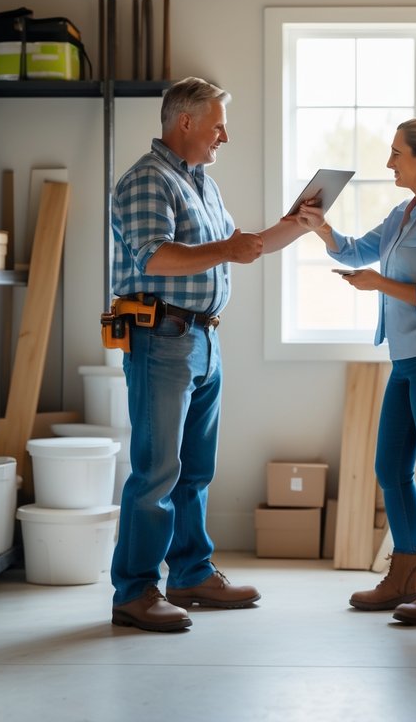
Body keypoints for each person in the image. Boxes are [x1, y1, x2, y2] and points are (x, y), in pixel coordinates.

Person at [110, 76, 308, 632]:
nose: (226, 135)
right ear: (186, 122)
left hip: (202, 338)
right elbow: (156, 259)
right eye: (218, 124)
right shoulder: (148, 181)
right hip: (162, 339)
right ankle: (135, 590)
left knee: (195, 469)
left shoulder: (200, 184)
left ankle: (191, 573)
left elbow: (239, 249)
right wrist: (228, 248)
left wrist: (294, 225)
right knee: (157, 471)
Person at [293, 117, 416, 625]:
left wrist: (380, 285)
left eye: (396, 153)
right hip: (405, 357)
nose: (388, 162)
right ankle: (404, 576)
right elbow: (356, 251)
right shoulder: (402, 214)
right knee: (390, 470)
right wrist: (321, 228)